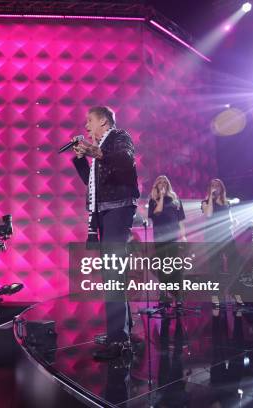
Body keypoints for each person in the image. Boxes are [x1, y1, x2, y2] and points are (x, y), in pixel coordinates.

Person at [72, 106, 140, 361]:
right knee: (112, 274)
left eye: (89, 121)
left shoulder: (119, 137)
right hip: (104, 211)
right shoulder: (102, 150)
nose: (86, 127)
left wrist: (97, 152)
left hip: (118, 209)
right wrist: (81, 156)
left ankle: (118, 340)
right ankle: (122, 333)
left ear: (104, 121)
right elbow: (92, 182)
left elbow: (125, 161)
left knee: (113, 274)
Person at [201, 179, 243, 308]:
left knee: (235, 262)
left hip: (226, 235)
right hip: (212, 236)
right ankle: (215, 295)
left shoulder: (226, 203)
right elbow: (208, 215)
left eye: (217, 185)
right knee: (215, 266)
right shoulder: (205, 202)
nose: (215, 187)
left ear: (222, 188)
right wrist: (210, 198)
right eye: (213, 185)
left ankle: (235, 292)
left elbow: (228, 217)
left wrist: (234, 221)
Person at [148, 175, 187, 310]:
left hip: (173, 236)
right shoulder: (153, 201)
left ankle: (178, 295)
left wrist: (183, 236)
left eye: (165, 182)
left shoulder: (176, 201)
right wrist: (162, 197)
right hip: (159, 237)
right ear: (156, 185)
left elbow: (181, 220)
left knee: (174, 264)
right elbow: (157, 212)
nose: (163, 184)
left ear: (168, 184)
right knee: (162, 265)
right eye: (160, 182)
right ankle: (164, 293)